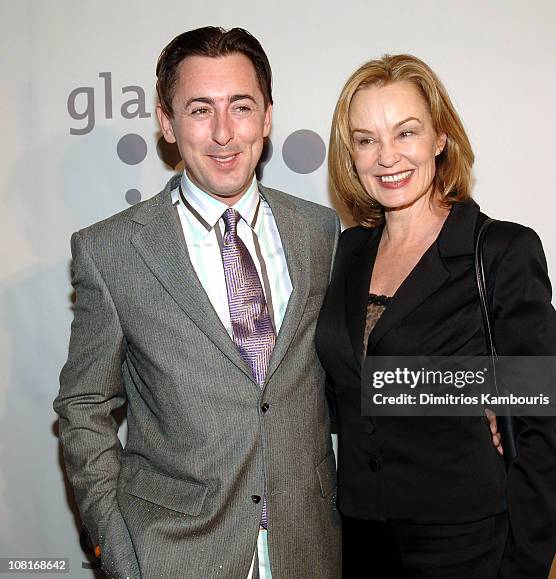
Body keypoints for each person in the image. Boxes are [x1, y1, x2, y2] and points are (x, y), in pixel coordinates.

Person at [54, 27, 341, 579]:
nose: (224, 133)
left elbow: (347, 374)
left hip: (309, 548)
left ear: (267, 116)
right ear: (167, 122)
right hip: (172, 555)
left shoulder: (320, 232)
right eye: (200, 110)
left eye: (241, 106)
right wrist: (116, 541)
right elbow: (83, 404)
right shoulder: (110, 251)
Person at [315, 54, 556, 578]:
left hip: (469, 544)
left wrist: (523, 566)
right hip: (359, 539)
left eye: (405, 132)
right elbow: (345, 392)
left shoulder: (499, 251)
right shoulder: (344, 254)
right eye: (365, 139)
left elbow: (542, 430)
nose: (386, 156)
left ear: (440, 138)